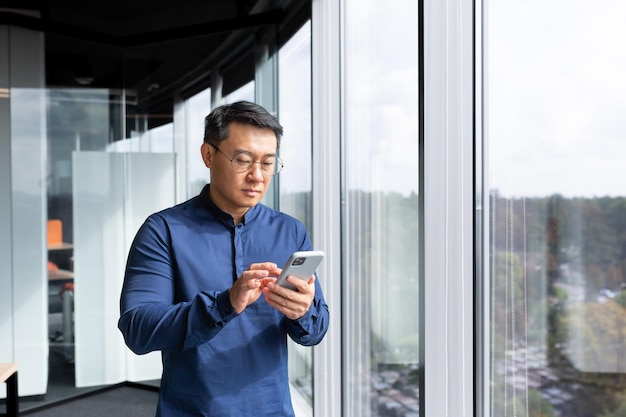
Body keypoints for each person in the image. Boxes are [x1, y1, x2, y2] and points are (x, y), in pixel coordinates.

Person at [118, 101, 329, 417]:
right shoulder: (163, 230)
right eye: (243, 160)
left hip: (273, 410)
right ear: (208, 155)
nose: (257, 176)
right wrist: (225, 303)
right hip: (191, 410)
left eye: (268, 163)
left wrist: (302, 312)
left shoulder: (290, 231)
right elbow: (138, 328)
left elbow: (315, 330)